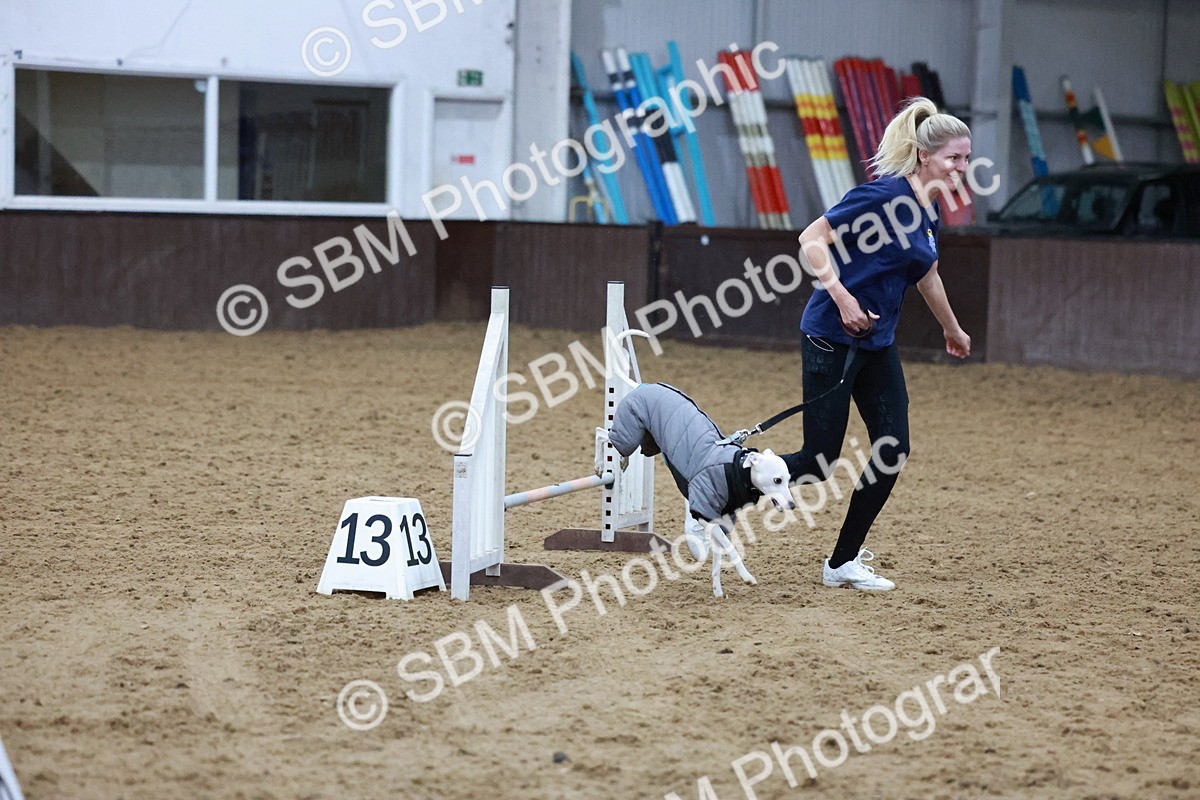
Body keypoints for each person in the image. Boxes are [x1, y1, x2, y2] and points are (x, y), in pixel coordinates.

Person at [783, 97, 973, 591]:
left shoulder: (928, 214)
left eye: (968, 159)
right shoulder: (883, 196)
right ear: (926, 156)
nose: (962, 167)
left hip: (877, 344)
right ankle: (720, 486)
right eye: (955, 157)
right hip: (832, 334)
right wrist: (843, 299)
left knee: (893, 446)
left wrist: (952, 329)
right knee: (818, 461)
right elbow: (810, 238)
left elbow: (927, 276)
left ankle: (842, 562)